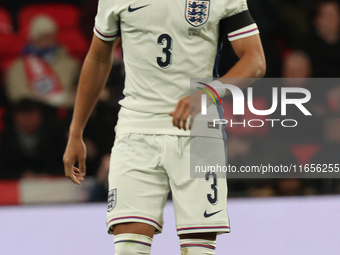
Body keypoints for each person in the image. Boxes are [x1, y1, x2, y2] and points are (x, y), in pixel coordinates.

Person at [63, 0, 265, 254]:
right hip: (136, 129)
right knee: (128, 248)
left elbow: (255, 60)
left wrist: (208, 93)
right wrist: (75, 132)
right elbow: (98, 58)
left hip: (199, 130)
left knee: (198, 250)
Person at [6, 15, 80, 109]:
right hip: (36, 114)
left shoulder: (70, 63)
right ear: (34, 40)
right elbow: (19, 96)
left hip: (66, 112)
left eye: (51, 37)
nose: (49, 42)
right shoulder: (18, 67)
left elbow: (78, 92)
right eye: (43, 37)